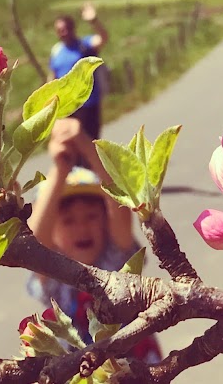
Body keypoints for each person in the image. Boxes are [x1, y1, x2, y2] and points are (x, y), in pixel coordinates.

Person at [27, 119, 161, 362]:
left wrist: (86, 144)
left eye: (91, 216)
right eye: (68, 221)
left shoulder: (115, 260)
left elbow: (121, 205)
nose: (82, 227)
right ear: (53, 232)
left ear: (105, 221)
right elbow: (34, 243)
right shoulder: (54, 275)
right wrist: (59, 170)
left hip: (138, 367)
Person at [50, 2, 109, 139]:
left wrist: (93, 21)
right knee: (70, 147)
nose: (63, 33)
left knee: (91, 142)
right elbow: (53, 76)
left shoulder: (85, 45)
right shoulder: (56, 51)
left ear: (72, 29)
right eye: (59, 30)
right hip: (67, 107)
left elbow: (103, 38)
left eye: (65, 29)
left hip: (88, 105)